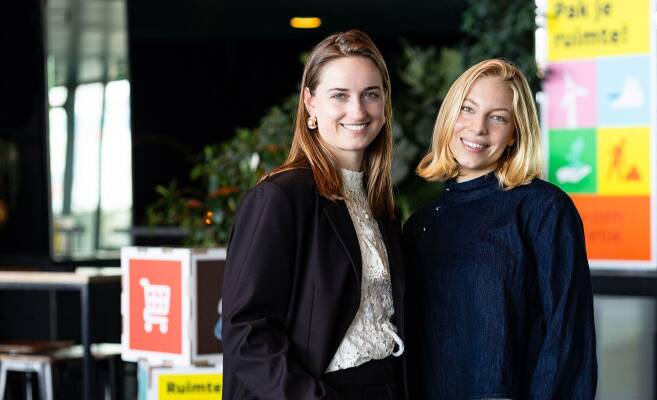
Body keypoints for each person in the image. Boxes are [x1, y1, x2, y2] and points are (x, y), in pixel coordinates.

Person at [222, 29, 405, 400]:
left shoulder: (381, 203)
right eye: (340, 95)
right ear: (310, 103)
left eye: (370, 94)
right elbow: (246, 333)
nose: (358, 110)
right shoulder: (279, 198)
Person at [403, 59, 597, 399]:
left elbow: (568, 336)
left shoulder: (542, 209)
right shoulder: (421, 223)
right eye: (467, 109)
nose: (478, 128)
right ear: (448, 116)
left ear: (514, 134)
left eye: (498, 118)